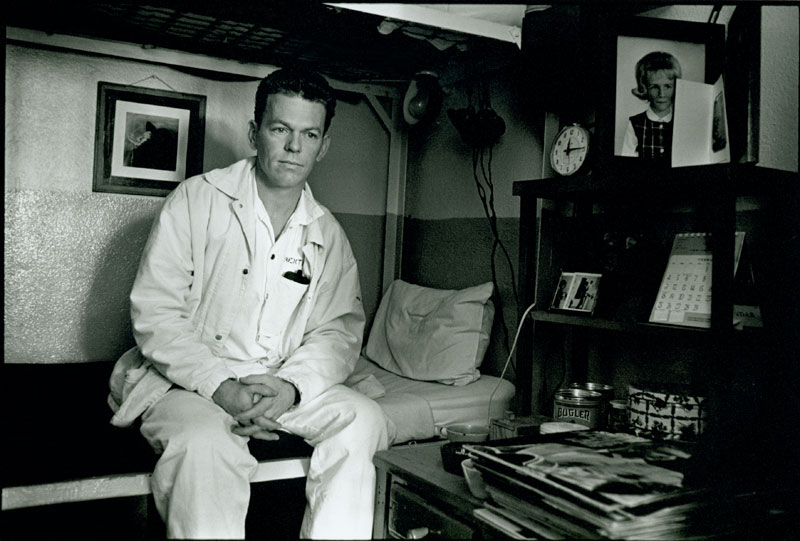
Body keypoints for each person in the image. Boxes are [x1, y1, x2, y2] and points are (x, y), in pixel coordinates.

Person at [107, 67, 395, 540]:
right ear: (254, 132)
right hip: (191, 381)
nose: (293, 147)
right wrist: (221, 385)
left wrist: (290, 388)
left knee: (364, 419)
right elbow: (157, 313)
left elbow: (338, 332)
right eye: (280, 129)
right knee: (205, 444)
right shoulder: (195, 201)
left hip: (279, 381)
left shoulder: (328, 234)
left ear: (323, 145)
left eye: (309, 134)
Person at [620, 51, 682, 164]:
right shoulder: (635, 123)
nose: (661, 94)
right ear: (644, 88)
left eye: (667, 86)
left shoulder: (682, 123)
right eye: (654, 87)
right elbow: (627, 165)